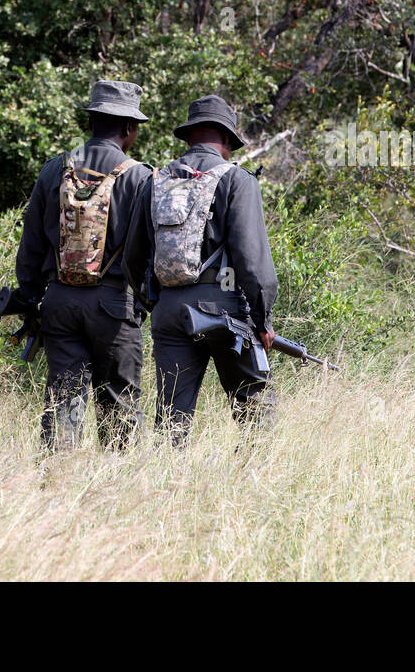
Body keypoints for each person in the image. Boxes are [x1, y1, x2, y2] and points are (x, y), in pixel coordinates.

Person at [124, 94, 278, 442]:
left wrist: (157, 303)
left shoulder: (155, 181)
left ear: (189, 136)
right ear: (226, 138)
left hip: (170, 311)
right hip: (225, 312)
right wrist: (262, 319)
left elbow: (133, 258)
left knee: (171, 420)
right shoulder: (237, 180)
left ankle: (169, 491)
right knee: (255, 412)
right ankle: (253, 484)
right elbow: (252, 260)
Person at [15, 80, 153, 450]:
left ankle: (57, 482)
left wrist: (30, 297)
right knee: (119, 405)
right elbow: (150, 252)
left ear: (91, 120)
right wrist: (142, 303)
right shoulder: (140, 177)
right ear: (127, 128)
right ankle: (114, 489)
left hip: (59, 301)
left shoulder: (53, 170)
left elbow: (30, 245)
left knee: (63, 401)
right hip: (113, 304)